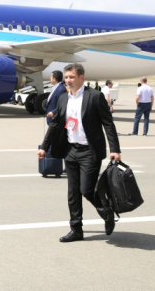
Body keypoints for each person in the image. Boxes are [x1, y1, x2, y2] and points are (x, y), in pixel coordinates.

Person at [38, 63, 121, 243]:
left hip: (90, 151)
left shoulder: (95, 96)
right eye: (66, 77)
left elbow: (108, 124)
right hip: (70, 150)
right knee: (73, 193)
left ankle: (106, 211)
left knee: (86, 189)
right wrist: (44, 147)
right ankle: (76, 229)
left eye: (72, 77)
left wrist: (115, 149)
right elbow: (55, 124)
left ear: (81, 77)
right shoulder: (63, 98)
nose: (68, 80)